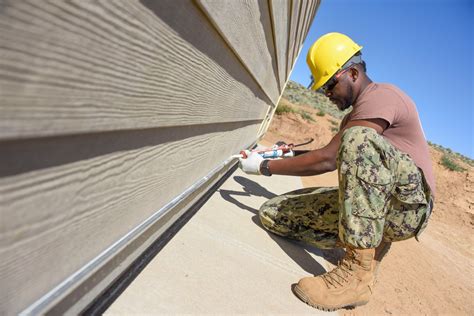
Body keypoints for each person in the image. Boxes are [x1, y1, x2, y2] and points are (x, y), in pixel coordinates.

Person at [239, 32, 435, 311]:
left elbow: (329, 159)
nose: (327, 95)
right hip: (382, 204)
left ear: (352, 73)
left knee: (357, 141)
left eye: (329, 86)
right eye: (322, 90)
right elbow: (329, 152)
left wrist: (264, 168)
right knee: (274, 213)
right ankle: (372, 242)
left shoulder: (384, 96)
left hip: (408, 207)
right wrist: (277, 154)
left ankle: (356, 275)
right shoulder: (354, 117)